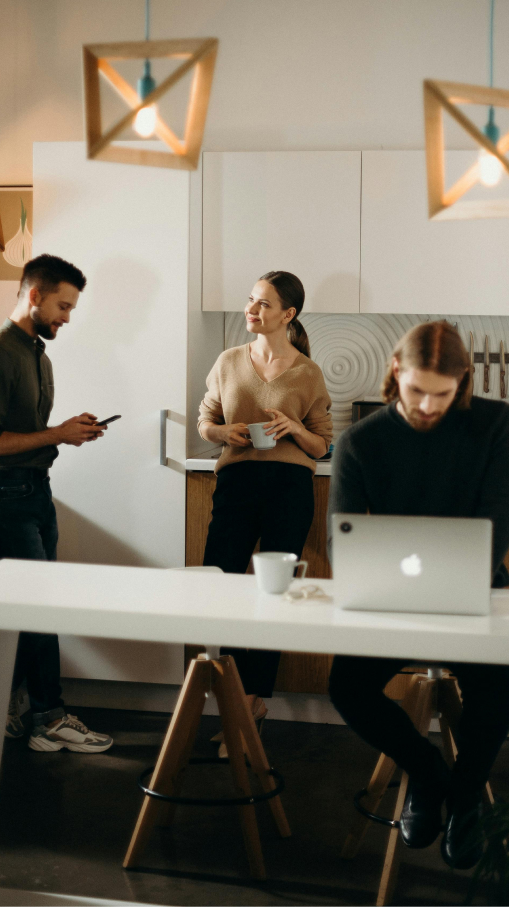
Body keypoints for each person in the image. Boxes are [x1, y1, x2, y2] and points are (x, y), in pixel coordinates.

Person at [328, 321, 509, 869]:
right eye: (417, 391)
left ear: (464, 381)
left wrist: (461, 584)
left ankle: (463, 797)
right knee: (347, 686)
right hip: (390, 597)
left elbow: (500, 520)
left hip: (477, 590)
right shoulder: (360, 440)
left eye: (444, 393)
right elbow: (341, 541)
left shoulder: (494, 423)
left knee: (494, 696)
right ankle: (434, 778)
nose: (429, 406)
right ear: (396, 372)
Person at [0, 254, 113, 754]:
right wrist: (57, 433)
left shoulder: (38, 354)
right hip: (6, 497)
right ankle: (49, 718)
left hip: (35, 493)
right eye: (63, 306)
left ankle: (24, 710)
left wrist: (67, 431)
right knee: (38, 609)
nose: (67, 318)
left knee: (37, 608)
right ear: (34, 295)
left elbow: (28, 434)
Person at [198, 271, 333, 743]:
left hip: (289, 486)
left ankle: (253, 704)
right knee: (224, 584)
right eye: (251, 300)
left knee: (274, 595)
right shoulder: (229, 360)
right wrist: (223, 434)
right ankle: (236, 700)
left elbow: (321, 446)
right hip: (236, 482)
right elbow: (205, 420)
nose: (251, 310)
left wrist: (293, 428)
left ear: (288, 315)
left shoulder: (307, 372)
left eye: (263, 304)